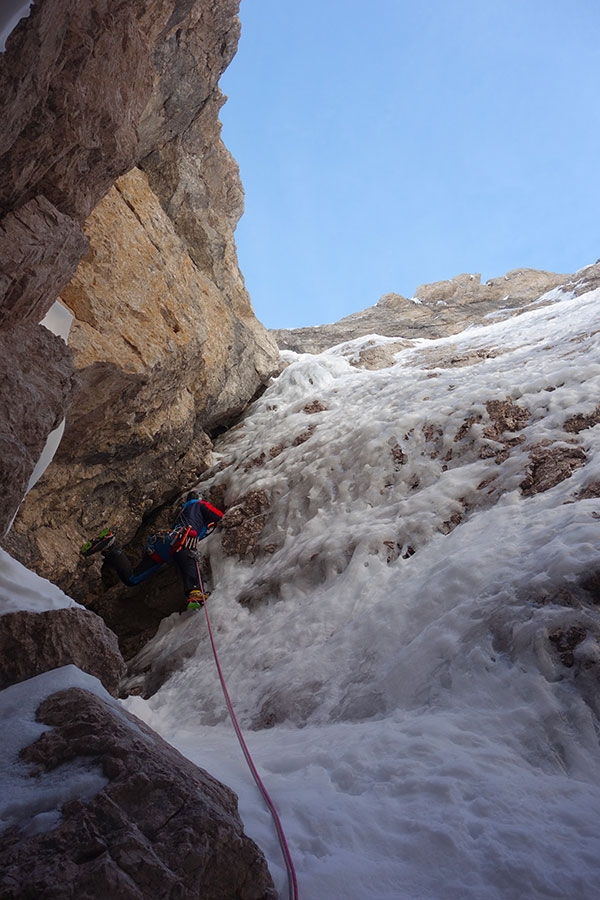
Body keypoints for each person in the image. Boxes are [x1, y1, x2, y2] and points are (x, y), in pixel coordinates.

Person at [81, 491, 224, 610]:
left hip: (162, 545)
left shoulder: (182, 513)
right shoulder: (199, 504)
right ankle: (194, 592)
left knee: (133, 579)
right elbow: (220, 516)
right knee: (188, 555)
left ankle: (111, 547)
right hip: (182, 539)